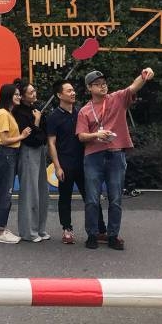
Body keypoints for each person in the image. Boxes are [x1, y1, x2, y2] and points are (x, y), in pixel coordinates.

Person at [76, 67, 155, 250]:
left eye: (104, 84)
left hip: (116, 153)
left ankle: (113, 235)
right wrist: (96, 135)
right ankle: (92, 234)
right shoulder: (85, 111)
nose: (103, 87)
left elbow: (133, 87)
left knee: (116, 198)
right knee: (92, 199)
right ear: (89, 88)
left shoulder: (117, 98)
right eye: (97, 84)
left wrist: (144, 74)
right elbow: (81, 136)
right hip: (93, 156)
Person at [45, 79, 106, 245]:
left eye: (73, 90)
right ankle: (67, 229)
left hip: (85, 163)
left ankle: (101, 230)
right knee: (65, 198)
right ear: (59, 95)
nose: (73, 93)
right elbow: (51, 143)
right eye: (68, 91)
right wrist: (57, 167)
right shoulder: (54, 117)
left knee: (92, 197)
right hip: (65, 164)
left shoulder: (81, 112)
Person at [0, 82, 32, 244]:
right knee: (5, 193)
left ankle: (2, 227)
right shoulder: (3, 113)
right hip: (7, 154)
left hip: (10, 155)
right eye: (16, 94)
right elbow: (6, 140)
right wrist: (22, 136)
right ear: (8, 96)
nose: (19, 97)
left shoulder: (8, 113)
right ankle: (0, 232)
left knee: (6, 192)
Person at [14, 79, 50, 243]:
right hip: (27, 153)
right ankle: (29, 232)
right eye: (31, 92)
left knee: (42, 190)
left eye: (34, 91)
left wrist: (37, 126)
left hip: (40, 152)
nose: (34, 94)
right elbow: (29, 138)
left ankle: (40, 229)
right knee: (30, 192)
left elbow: (42, 135)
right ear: (21, 96)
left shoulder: (36, 109)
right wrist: (36, 123)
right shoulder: (18, 113)